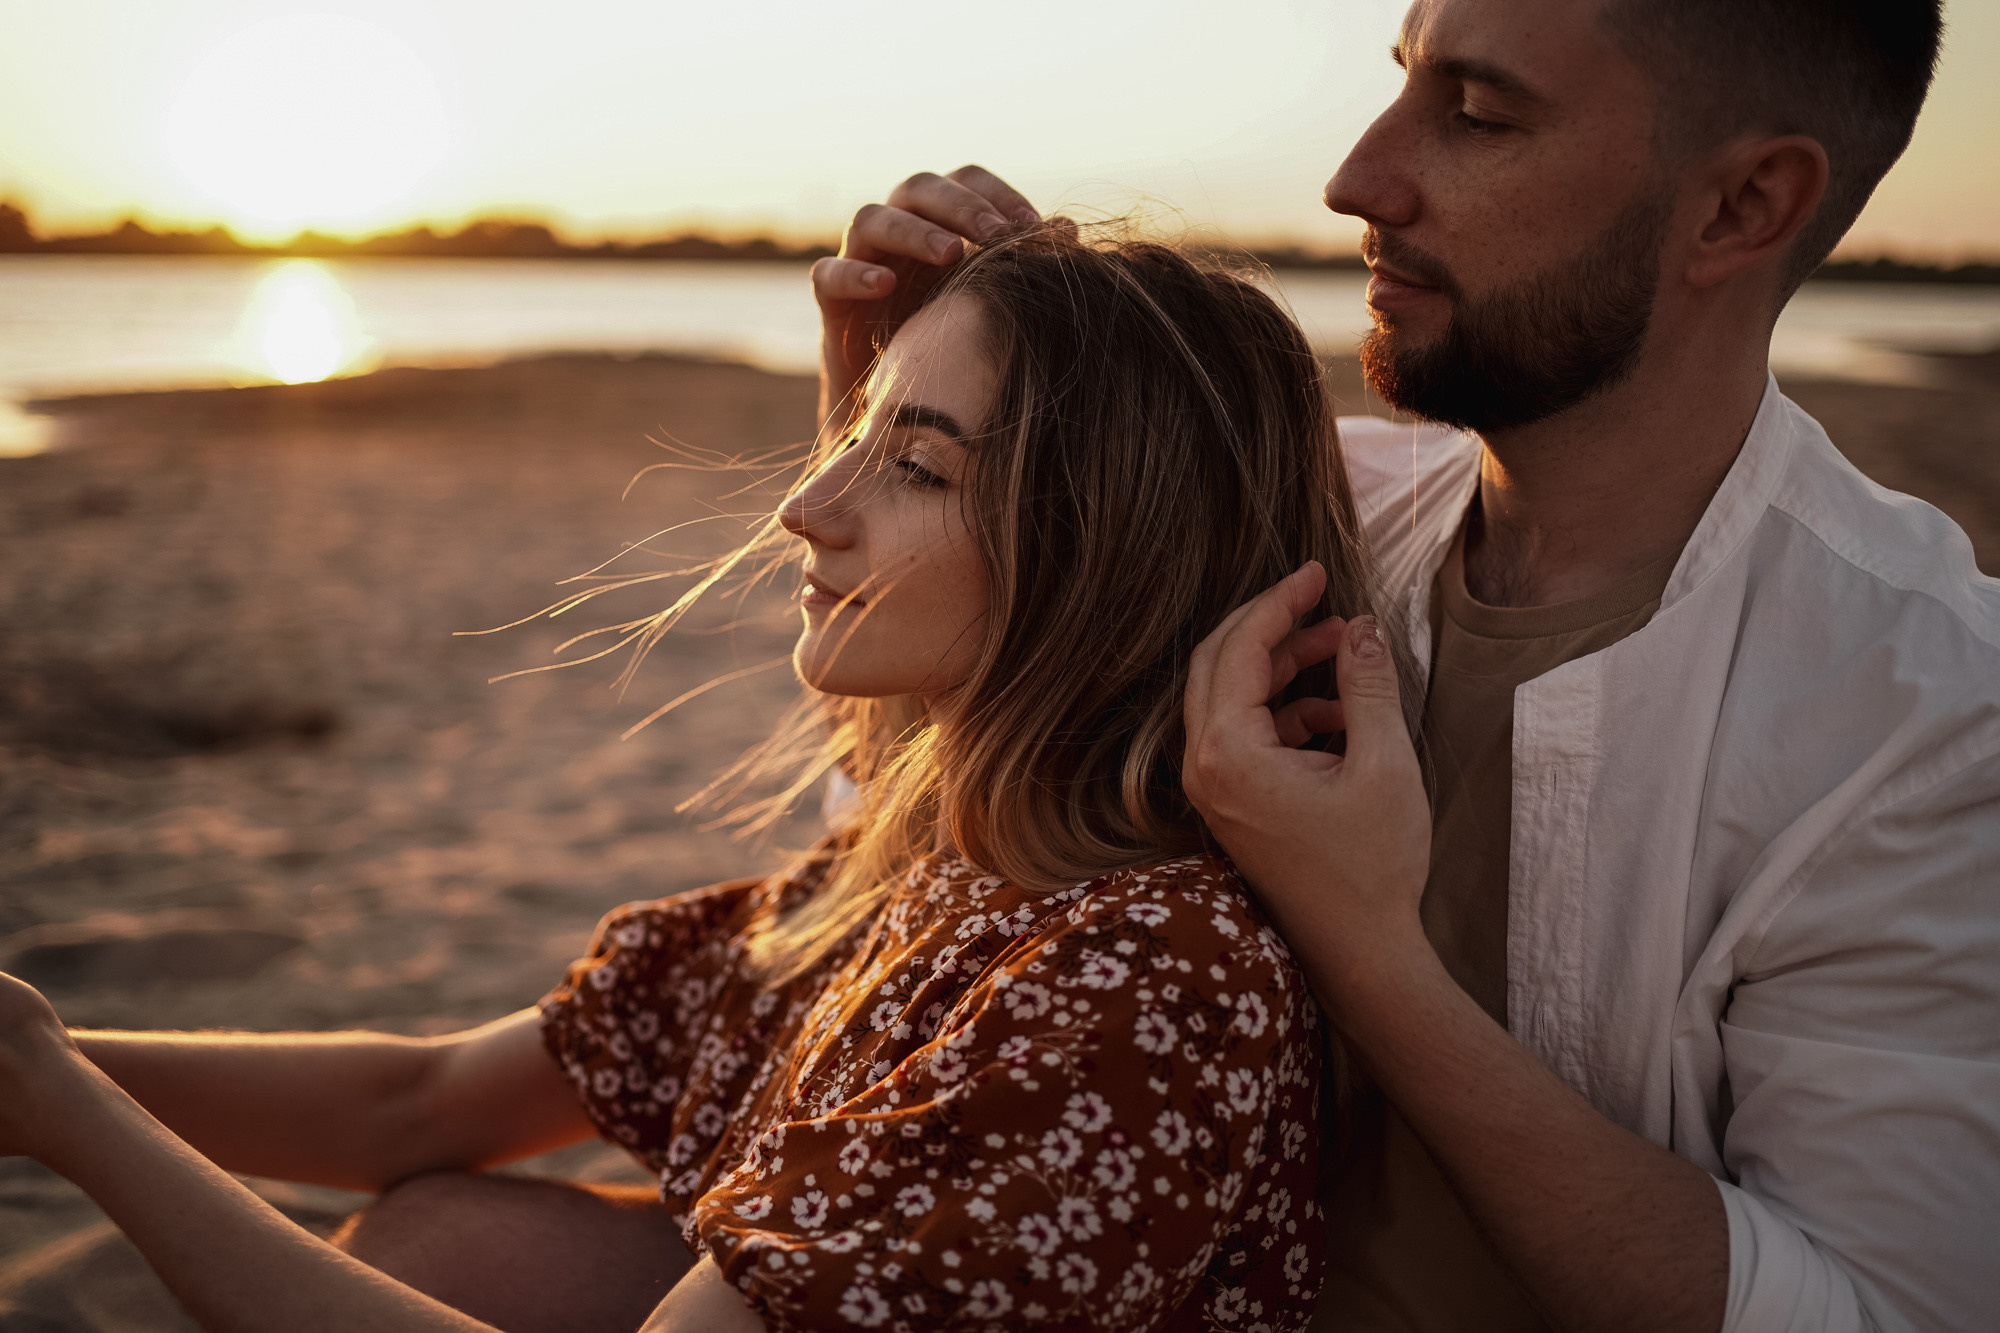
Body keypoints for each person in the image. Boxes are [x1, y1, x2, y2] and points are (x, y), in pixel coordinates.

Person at [825, 2, 1999, 1331]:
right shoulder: (1308, 497)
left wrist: (1368, 946)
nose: (1358, 179)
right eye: (1400, 83)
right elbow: (912, 831)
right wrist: (911, 412)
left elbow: (1867, 1308)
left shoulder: (1929, 717)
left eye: (1479, 114)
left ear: (1739, 206)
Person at [0, 227, 1393, 1331]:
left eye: (909, 462)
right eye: (855, 430)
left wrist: (76, 1121)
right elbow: (416, 1102)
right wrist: (39, 1058)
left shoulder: (1145, 979)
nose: (810, 502)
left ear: (1105, 556)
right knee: (449, 1224)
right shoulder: (922, 882)